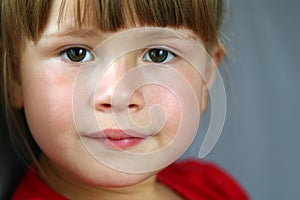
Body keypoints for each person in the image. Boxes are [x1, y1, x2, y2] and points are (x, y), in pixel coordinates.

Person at [0, 0, 248, 199]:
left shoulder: (216, 188)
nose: (119, 96)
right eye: (76, 54)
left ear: (204, 79)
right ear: (15, 75)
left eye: (158, 55)